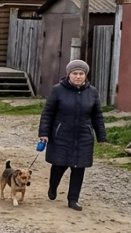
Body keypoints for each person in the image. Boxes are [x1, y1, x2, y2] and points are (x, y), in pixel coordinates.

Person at [38, 60, 107, 211]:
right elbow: (48, 113)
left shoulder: (92, 92)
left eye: (81, 74)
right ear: (69, 75)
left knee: (79, 168)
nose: (78, 77)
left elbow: (97, 116)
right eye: (75, 74)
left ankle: (73, 199)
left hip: (83, 136)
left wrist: (101, 136)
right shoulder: (58, 90)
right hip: (61, 134)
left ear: (85, 75)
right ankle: (53, 186)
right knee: (59, 165)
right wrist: (44, 133)